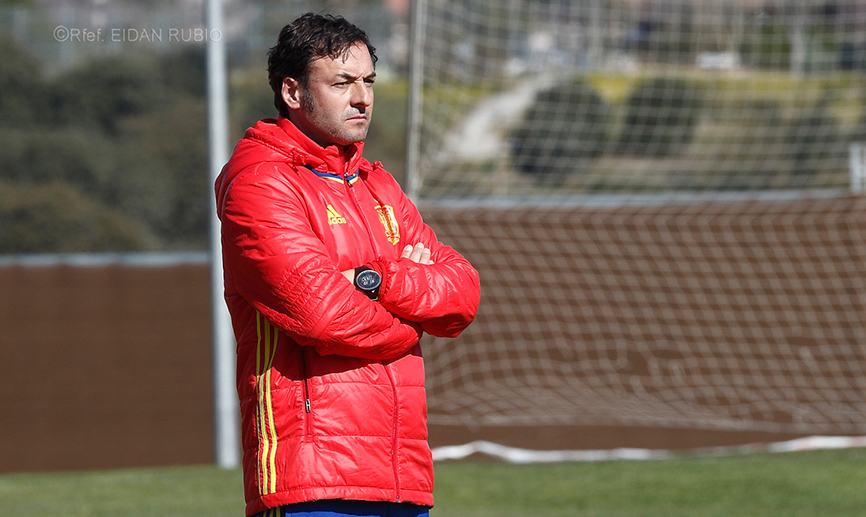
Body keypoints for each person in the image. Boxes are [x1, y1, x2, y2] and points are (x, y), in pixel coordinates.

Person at [214, 12, 480, 517]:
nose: (362, 98)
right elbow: (324, 316)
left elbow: (462, 294)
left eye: (368, 81)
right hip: (311, 481)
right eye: (342, 83)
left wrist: (374, 280)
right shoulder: (259, 182)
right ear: (293, 92)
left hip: (402, 477)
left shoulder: (377, 184)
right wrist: (411, 322)